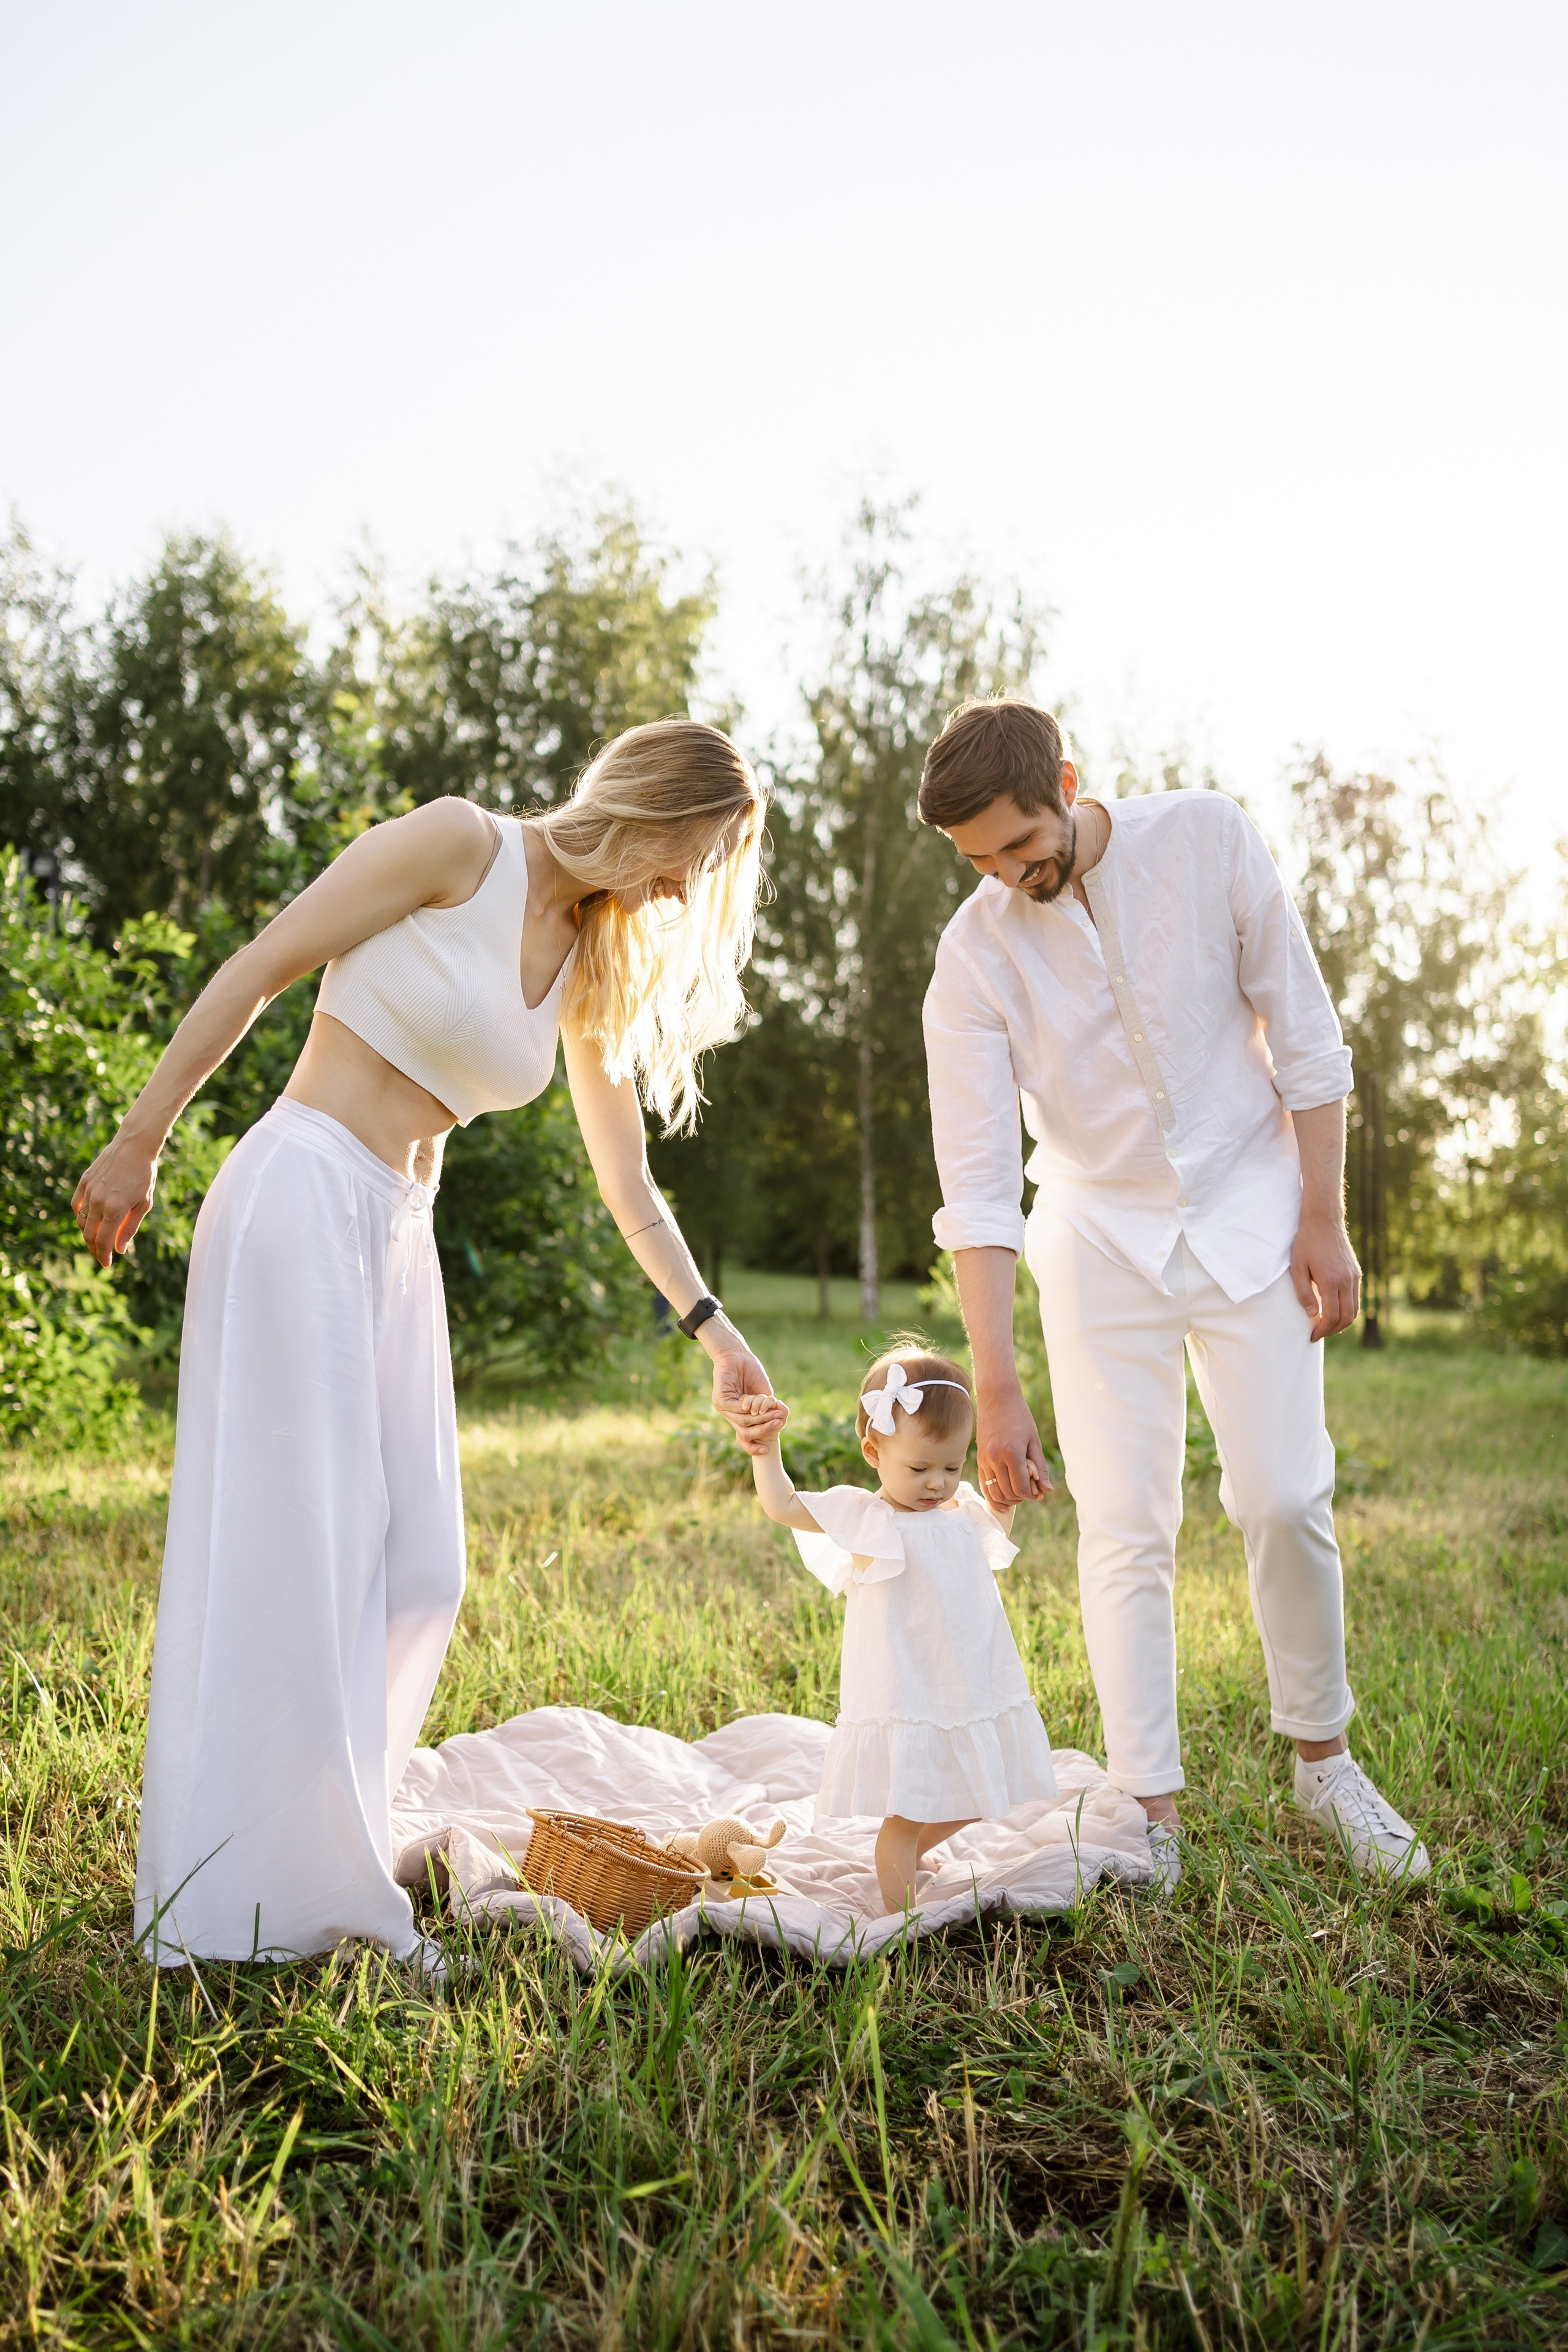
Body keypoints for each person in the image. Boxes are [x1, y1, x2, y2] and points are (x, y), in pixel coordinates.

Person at [72, 719, 778, 1967]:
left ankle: (317, 1840)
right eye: (694, 855)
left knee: (419, 1573)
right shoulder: (461, 844)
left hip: (400, 1236)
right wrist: (142, 1138)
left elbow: (631, 1186)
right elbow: (262, 966)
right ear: (656, 804)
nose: (684, 888)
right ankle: (270, 1899)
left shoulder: (589, 959)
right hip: (299, 1192)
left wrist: (713, 1328)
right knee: (306, 1557)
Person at [917, 698, 1429, 1891]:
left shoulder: (1205, 838)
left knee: (1283, 1495)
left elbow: (1302, 1037)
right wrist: (995, 1387)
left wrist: (1323, 1218)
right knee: (1123, 1526)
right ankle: (1145, 1803)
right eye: (978, 859)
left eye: (1016, 843)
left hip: (1254, 1210)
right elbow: (981, 1181)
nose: (1004, 873)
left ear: (1068, 781)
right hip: (1097, 1233)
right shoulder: (972, 955)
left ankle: (1322, 1765)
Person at [747, 1345, 1056, 1913]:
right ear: (874, 1451)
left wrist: (1011, 1487)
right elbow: (784, 1506)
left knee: (982, 1789)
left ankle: (910, 1853)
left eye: (952, 1466)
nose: (937, 1483)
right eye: (919, 1468)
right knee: (908, 1805)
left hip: (966, 1680)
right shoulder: (868, 1518)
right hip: (905, 1684)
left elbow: (999, 1525)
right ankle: (901, 1914)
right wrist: (767, 1451)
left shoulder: (962, 1511)